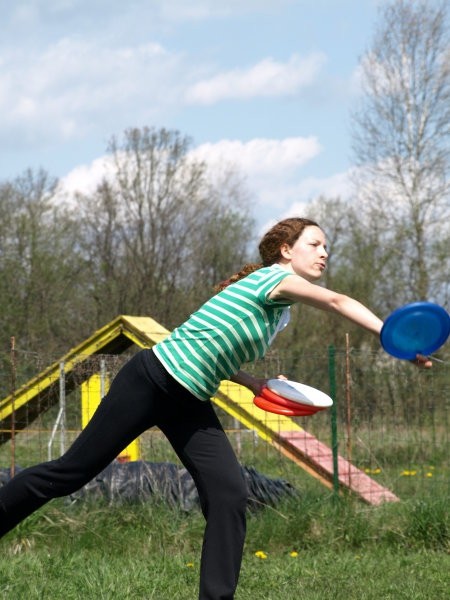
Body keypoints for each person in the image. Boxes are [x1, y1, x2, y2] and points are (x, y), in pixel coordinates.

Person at [0, 217, 431, 599]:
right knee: (70, 474)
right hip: (152, 381)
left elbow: (214, 350)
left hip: (190, 399)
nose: (324, 253)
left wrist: (254, 381)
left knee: (229, 493)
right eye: (315, 244)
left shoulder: (278, 312)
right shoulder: (271, 280)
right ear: (286, 251)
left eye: (326, 247)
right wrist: (395, 337)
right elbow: (338, 302)